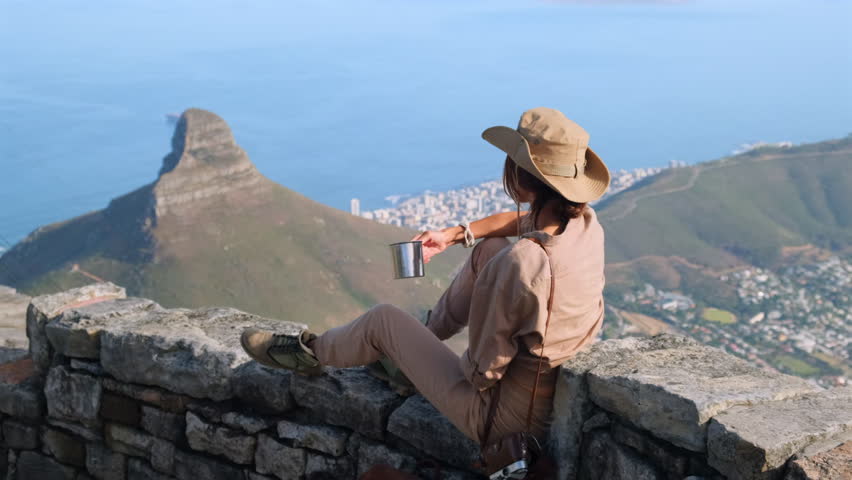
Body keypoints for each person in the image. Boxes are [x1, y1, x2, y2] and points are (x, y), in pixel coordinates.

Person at [240, 107, 610, 445]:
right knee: (488, 248)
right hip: (547, 400)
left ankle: (310, 354)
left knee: (382, 321)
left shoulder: (522, 264)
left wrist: (425, 360)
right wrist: (455, 233)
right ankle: (422, 339)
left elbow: (482, 374)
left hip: (501, 421)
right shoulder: (585, 226)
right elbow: (523, 221)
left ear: (522, 180)